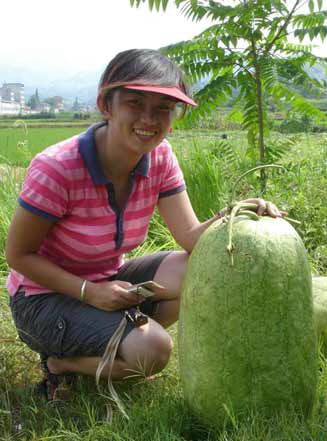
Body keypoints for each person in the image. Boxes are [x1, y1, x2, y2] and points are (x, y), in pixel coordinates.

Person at [5, 49, 282, 401]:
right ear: (107, 105)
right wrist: (90, 292)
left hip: (108, 280)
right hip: (43, 300)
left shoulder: (160, 157)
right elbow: (18, 254)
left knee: (207, 267)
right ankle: (62, 364)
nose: (149, 119)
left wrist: (237, 215)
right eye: (135, 103)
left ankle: (115, 337)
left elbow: (191, 237)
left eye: (163, 108)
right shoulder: (58, 168)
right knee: (152, 352)